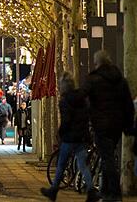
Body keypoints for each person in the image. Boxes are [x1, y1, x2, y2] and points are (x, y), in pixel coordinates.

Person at [83, 50, 133, 201]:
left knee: (107, 158)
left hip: (101, 124)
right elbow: (128, 104)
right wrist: (128, 124)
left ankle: (115, 192)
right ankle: (105, 191)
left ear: (97, 63)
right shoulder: (120, 79)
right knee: (107, 155)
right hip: (117, 125)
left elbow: (82, 97)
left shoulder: (93, 79)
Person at [40, 73, 98, 202]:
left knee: (61, 164)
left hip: (69, 138)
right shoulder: (82, 99)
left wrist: (60, 133)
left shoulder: (65, 101)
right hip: (82, 137)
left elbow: (66, 120)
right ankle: (91, 190)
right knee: (82, 165)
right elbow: (86, 117)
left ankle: (53, 190)